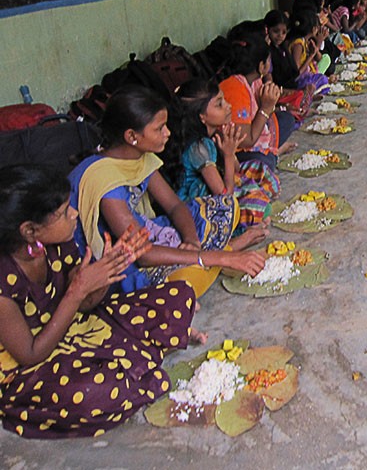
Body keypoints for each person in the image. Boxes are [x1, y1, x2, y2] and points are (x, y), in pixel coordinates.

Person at [0, 164, 196, 438]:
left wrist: (107, 272)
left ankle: (127, 367)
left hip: (78, 328)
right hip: (33, 368)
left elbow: (86, 305)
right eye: (63, 213)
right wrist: (77, 291)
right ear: (30, 231)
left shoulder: (57, 244)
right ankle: (130, 367)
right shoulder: (3, 280)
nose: (74, 215)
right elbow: (31, 354)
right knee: (91, 392)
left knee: (178, 295)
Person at [68, 86, 266, 299]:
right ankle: (223, 254)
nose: (167, 133)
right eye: (159, 128)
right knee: (185, 283)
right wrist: (218, 258)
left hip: (146, 231)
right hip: (121, 260)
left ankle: (211, 258)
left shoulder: (139, 156)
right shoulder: (104, 180)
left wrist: (192, 241)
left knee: (226, 206)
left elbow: (174, 205)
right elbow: (142, 254)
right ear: (132, 136)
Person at [174, 79, 276, 231]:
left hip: (221, 187)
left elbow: (236, 171)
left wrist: (231, 150)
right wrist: (228, 155)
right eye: (219, 104)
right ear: (202, 117)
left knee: (259, 168)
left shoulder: (215, 133)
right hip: (198, 210)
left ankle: (254, 209)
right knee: (258, 205)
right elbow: (224, 198)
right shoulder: (199, 148)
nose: (228, 106)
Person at [218, 34, 296, 172]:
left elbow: (263, 113)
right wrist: (266, 108)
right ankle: (274, 152)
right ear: (261, 66)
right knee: (264, 164)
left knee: (287, 119)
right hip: (237, 151)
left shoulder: (254, 81)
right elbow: (247, 141)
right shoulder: (235, 88)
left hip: (254, 130)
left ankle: (272, 151)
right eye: (268, 61)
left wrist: (276, 105)